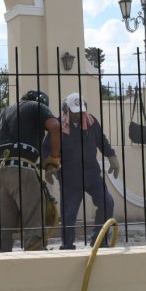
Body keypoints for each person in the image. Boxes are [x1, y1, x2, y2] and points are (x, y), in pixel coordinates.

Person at [0, 89, 62, 252]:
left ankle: (1, 258)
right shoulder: (37, 106)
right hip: (23, 169)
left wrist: (6, 157)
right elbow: (55, 127)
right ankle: (34, 256)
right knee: (33, 219)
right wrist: (54, 158)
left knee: (2, 226)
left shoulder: (7, 111)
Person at [44, 92, 120, 249]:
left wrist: (112, 157)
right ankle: (67, 245)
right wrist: (49, 167)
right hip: (69, 177)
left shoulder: (91, 122)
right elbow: (47, 148)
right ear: (66, 110)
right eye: (74, 111)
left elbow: (102, 141)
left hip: (92, 174)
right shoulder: (58, 126)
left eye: (80, 111)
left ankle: (99, 239)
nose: (78, 114)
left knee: (107, 203)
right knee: (69, 213)